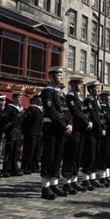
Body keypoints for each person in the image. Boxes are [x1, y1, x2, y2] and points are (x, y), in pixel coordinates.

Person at [39, 66, 72, 200]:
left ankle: (54, 184)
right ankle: (45, 187)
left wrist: (69, 123)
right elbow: (52, 112)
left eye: (61, 75)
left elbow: (67, 111)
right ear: (51, 76)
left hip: (61, 128)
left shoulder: (60, 93)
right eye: (58, 75)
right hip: (51, 128)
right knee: (49, 156)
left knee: (58, 157)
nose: (61, 77)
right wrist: (64, 126)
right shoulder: (47, 92)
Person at [64, 77, 91, 194]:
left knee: (77, 156)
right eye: (79, 84)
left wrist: (88, 122)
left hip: (81, 130)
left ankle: (74, 180)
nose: (81, 86)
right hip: (74, 130)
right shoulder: (70, 97)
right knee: (70, 155)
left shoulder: (79, 98)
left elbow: (84, 112)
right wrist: (86, 122)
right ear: (73, 84)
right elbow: (75, 112)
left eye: (81, 84)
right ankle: (66, 182)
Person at [83, 80, 105, 189]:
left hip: (97, 132)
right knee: (89, 155)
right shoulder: (89, 100)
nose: (98, 90)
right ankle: (86, 180)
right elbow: (93, 116)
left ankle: (92, 178)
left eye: (99, 88)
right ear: (91, 89)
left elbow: (100, 116)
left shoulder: (97, 101)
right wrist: (100, 128)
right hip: (91, 131)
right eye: (96, 88)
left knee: (95, 155)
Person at [2, 90, 24, 177]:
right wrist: (9, 127)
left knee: (16, 150)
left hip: (18, 131)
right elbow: (5, 119)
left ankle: (14, 168)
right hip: (11, 131)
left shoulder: (20, 108)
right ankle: (7, 169)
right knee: (9, 150)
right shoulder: (9, 107)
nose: (20, 99)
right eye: (18, 97)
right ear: (14, 98)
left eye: (21, 97)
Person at [21, 93, 43, 175]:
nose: (40, 99)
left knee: (36, 151)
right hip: (31, 132)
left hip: (38, 132)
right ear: (34, 100)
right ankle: (26, 167)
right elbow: (26, 122)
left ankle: (35, 166)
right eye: (38, 98)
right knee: (29, 150)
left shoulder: (40, 109)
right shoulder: (31, 109)